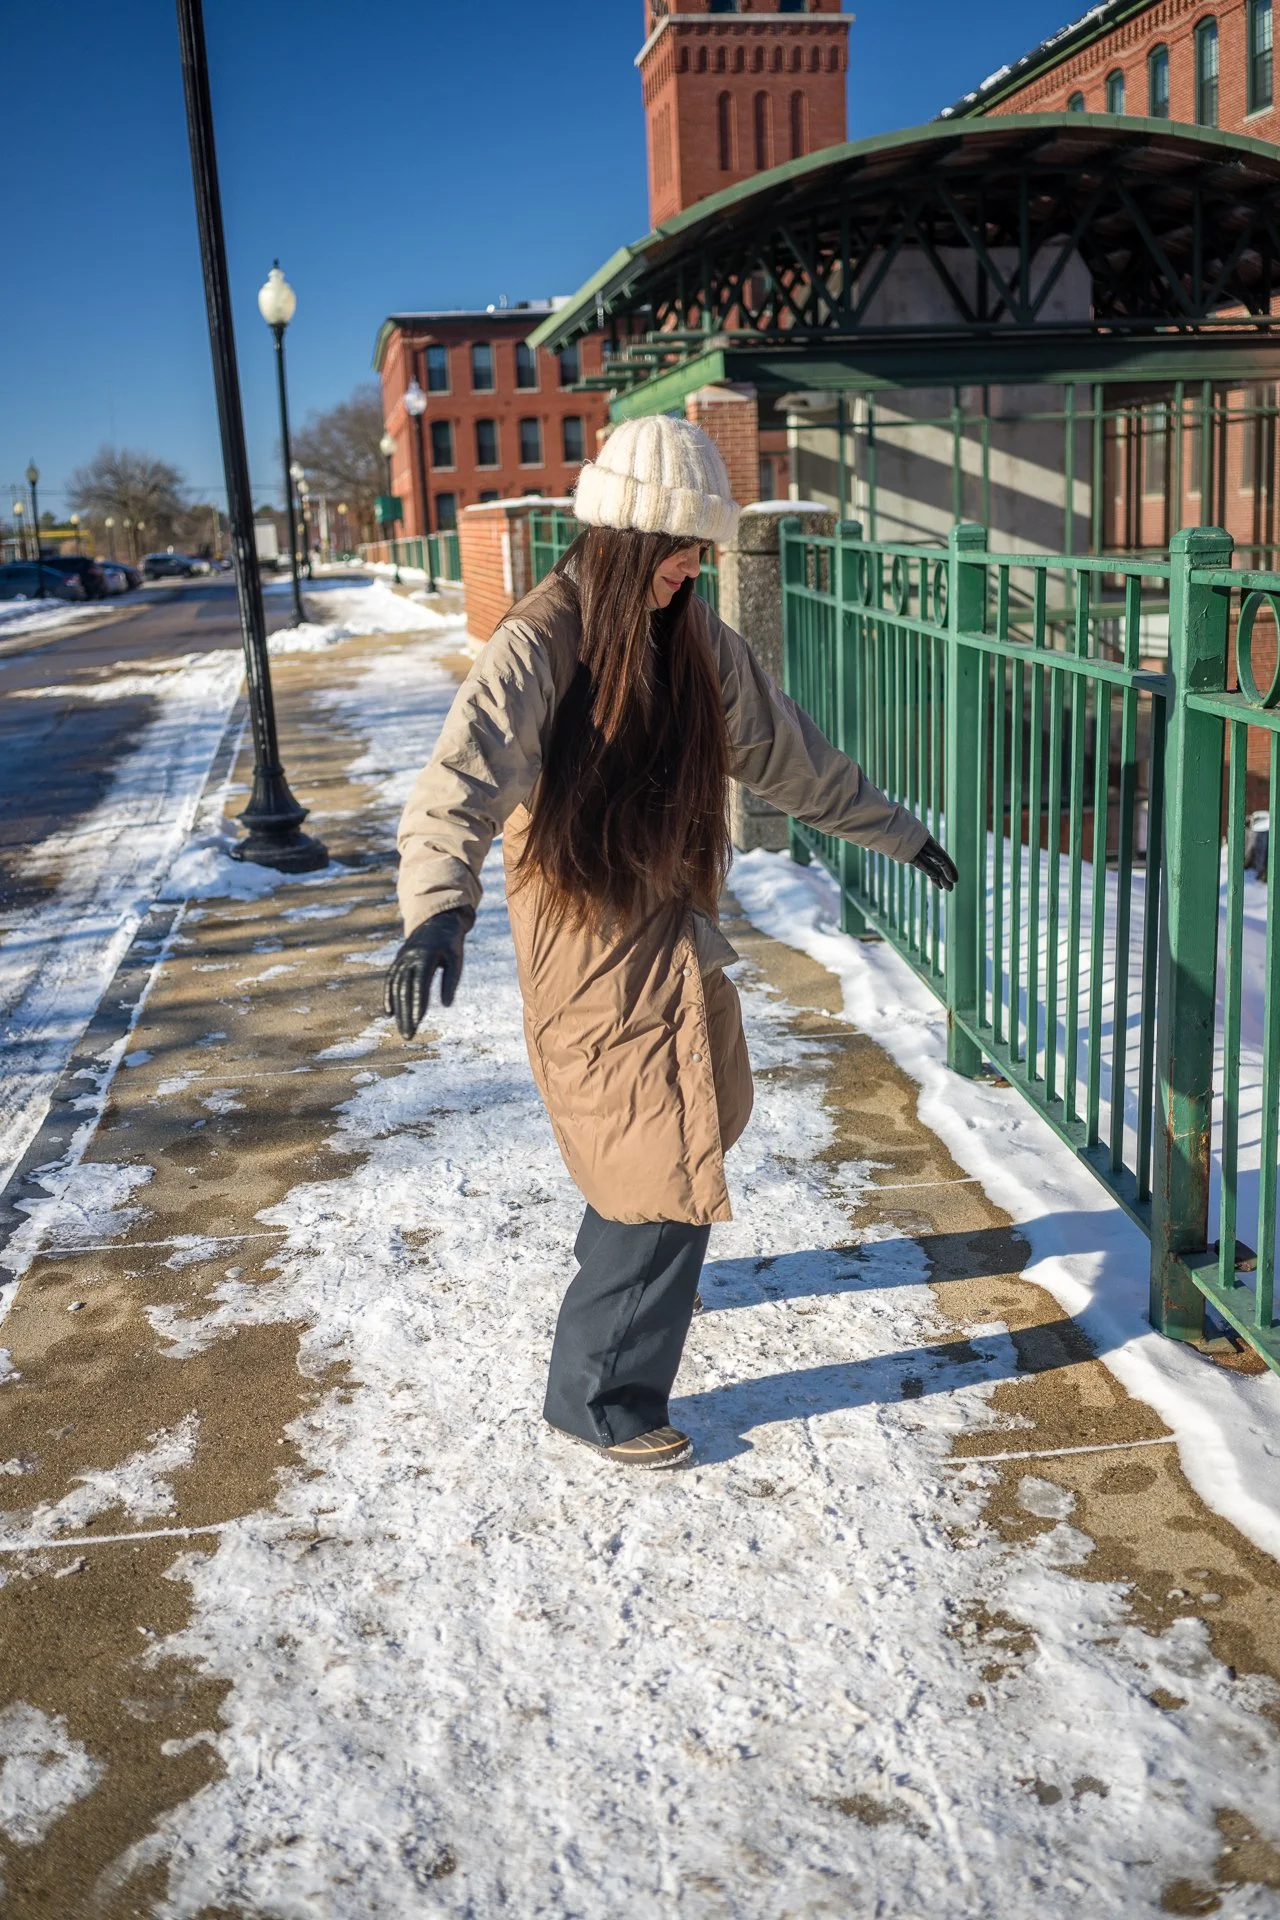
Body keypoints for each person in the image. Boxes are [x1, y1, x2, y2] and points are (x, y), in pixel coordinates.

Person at [386, 417, 956, 1471]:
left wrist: (897, 829)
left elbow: (789, 756)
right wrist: (435, 910)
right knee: (658, 1165)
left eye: (699, 550)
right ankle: (598, 1396)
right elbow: (456, 787)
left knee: (697, 1119)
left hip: (676, 927)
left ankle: (615, 1261)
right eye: (673, 550)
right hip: (587, 936)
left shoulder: (695, 640)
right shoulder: (541, 640)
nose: (690, 568)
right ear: (616, 543)